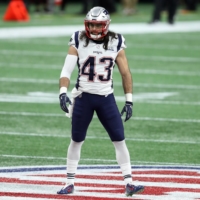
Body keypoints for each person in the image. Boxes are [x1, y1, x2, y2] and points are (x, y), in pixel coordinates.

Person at [57, 6, 144, 197]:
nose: (95, 29)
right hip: (83, 97)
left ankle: (129, 182)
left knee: (119, 139)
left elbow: (125, 73)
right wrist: (63, 92)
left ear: (106, 25)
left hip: (106, 98)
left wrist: (129, 100)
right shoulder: (78, 39)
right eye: (92, 25)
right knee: (76, 140)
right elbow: (66, 70)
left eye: (98, 25)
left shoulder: (116, 40)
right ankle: (69, 182)